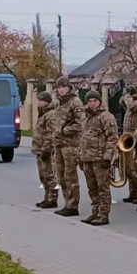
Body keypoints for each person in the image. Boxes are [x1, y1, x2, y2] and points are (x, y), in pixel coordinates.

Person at [79, 90, 118, 226]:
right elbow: (83, 138)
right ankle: (95, 211)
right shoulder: (85, 117)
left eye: (95, 101)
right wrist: (80, 156)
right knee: (92, 188)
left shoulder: (106, 117)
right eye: (89, 101)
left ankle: (103, 214)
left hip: (100, 159)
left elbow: (112, 139)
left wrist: (107, 157)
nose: (92, 104)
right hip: (87, 158)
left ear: (100, 101)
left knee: (103, 188)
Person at [52, 78, 86, 218]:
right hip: (59, 144)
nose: (61, 89)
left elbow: (80, 124)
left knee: (70, 176)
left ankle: (73, 205)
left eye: (63, 87)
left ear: (69, 88)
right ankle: (67, 203)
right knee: (60, 176)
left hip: (71, 145)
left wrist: (65, 130)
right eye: (59, 87)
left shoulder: (75, 102)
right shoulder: (59, 103)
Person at [31, 91, 59, 209]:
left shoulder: (50, 114)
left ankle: (52, 198)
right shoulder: (42, 114)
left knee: (49, 175)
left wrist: (46, 149)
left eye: (41, 101)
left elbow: (50, 134)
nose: (38, 103)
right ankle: (47, 197)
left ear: (46, 102)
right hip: (40, 149)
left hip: (46, 150)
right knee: (43, 176)